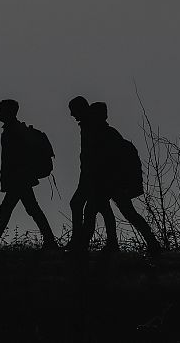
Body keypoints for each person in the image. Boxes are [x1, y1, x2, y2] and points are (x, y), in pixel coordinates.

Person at [70, 98, 163, 254]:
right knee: (116, 211)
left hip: (110, 182)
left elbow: (104, 160)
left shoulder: (104, 134)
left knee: (99, 211)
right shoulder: (102, 132)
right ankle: (141, 243)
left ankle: (83, 247)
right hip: (108, 182)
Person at [0, 99, 59, 249]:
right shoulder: (15, 130)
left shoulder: (13, 131)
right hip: (20, 178)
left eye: (1, 110)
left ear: (9, 112)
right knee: (29, 209)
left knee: (8, 211)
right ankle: (50, 241)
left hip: (18, 178)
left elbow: (14, 158)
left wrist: (13, 176)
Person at [67, 96, 118, 252]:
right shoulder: (87, 126)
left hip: (96, 177)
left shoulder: (92, 127)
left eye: (73, 111)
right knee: (94, 207)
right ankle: (83, 241)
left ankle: (81, 242)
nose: (71, 115)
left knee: (93, 208)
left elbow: (95, 155)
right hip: (89, 176)